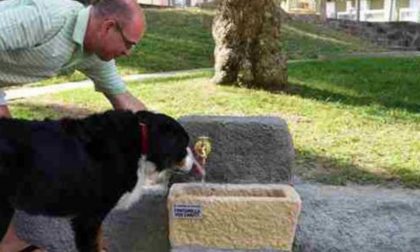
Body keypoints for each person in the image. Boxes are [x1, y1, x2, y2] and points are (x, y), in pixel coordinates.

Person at [0, 0, 147, 250]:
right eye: (128, 43)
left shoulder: (94, 56)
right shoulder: (51, 18)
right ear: (108, 27)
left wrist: (170, 141)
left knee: (12, 155)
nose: (128, 53)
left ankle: (6, 242)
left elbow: (123, 100)